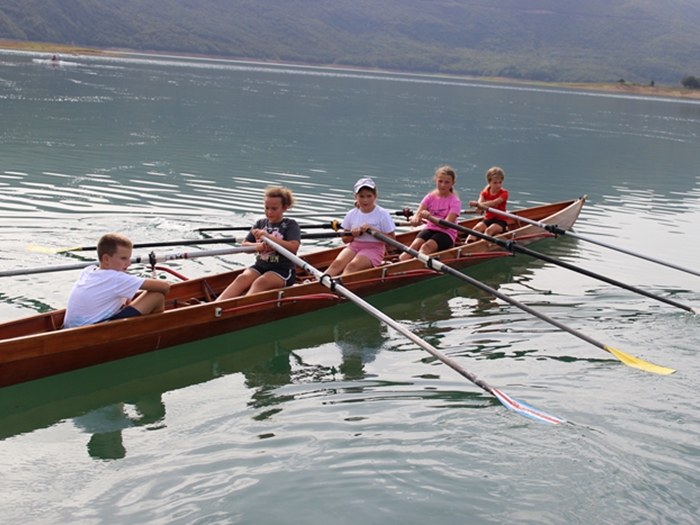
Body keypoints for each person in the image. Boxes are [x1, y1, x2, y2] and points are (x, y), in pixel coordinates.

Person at [63, 233, 170, 328]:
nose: (129, 264)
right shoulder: (116, 278)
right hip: (92, 332)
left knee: (129, 294)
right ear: (106, 259)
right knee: (157, 294)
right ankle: (158, 328)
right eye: (123, 258)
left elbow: (120, 294)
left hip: (70, 328)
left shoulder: (89, 271)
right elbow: (165, 286)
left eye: (129, 258)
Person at [216, 186, 301, 300]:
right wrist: (259, 247)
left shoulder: (290, 225)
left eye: (274, 209)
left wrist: (269, 238)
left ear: (284, 208)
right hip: (260, 266)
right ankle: (214, 306)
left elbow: (293, 247)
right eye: (266, 208)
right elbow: (244, 245)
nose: (269, 212)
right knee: (241, 279)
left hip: (283, 271)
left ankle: (242, 309)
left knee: (260, 282)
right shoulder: (261, 224)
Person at [325, 177, 396, 276]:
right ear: (356, 196)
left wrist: (372, 230)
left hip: (374, 249)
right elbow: (345, 240)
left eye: (369, 196)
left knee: (351, 267)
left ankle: (339, 289)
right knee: (336, 264)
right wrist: (353, 235)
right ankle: (316, 286)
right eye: (361, 196)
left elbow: (392, 239)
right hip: (354, 246)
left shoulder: (382, 214)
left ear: (375, 196)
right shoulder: (351, 214)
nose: (365, 200)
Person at [399, 166, 461, 261]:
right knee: (413, 247)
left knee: (425, 247)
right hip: (430, 229)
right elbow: (418, 212)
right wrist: (415, 218)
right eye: (440, 181)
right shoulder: (430, 197)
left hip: (447, 233)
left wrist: (430, 217)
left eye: (447, 182)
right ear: (435, 180)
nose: (443, 185)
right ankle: (398, 264)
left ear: (453, 183)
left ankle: (411, 267)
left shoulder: (455, 201)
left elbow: (446, 225)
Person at [467, 166, 509, 242]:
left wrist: (478, 205)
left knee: (488, 231)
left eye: (500, 182)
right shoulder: (484, 193)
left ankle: (480, 247)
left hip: (501, 221)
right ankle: (466, 245)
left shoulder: (504, 193)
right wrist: (479, 207)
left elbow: (494, 203)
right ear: (489, 182)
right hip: (488, 219)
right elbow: (480, 203)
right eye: (495, 183)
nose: (498, 185)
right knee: (475, 229)